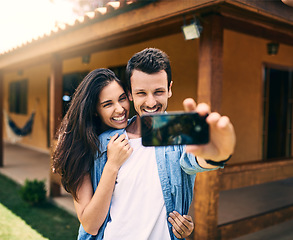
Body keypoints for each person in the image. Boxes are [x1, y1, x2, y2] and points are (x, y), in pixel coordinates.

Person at [77, 48, 236, 240]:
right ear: (129, 93)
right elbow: (92, 217)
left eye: (158, 91)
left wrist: (219, 154)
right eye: (141, 93)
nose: (151, 102)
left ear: (169, 89)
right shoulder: (106, 142)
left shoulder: (179, 131)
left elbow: (195, 159)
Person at [52, 68, 194, 240]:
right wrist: (112, 165)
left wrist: (180, 227)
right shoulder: (82, 150)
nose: (120, 109)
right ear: (94, 110)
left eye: (122, 99)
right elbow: (90, 224)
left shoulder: (154, 131)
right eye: (108, 104)